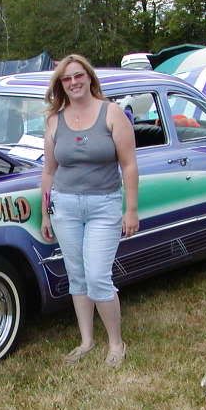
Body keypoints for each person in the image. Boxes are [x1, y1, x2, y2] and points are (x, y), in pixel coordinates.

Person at [40, 54, 139, 367]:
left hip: (104, 205)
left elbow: (129, 165)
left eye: (78, 76)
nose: (73, 83)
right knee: (77, 277)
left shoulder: (112, 113)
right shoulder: (54, 120)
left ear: (89, 78)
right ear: (61, 85)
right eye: (66, 79)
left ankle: (116, 343)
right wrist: (45, 213)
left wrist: (131, 210)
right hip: (64, 206)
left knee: (98, 277)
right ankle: (86, 340)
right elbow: (48, 172)